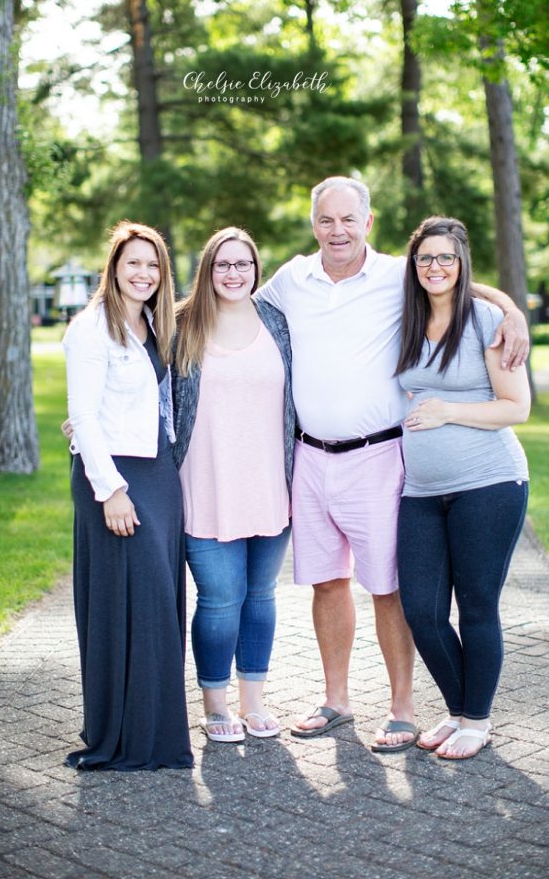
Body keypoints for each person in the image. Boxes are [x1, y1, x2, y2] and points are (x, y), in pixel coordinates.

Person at [258, 177, 529, 752]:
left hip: (380, 456)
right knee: (327, 584)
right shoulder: (291, 280)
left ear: (368, 223)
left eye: (348, 220)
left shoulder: (394, 277)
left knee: (390, 588)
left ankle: (404, 708)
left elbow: (458, 283)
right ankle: (336, 701)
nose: (338, 231)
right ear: (314, 224)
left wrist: (512, 311)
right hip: (310, 457)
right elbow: (226, 301)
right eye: (326, 220)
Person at [395, 216, 530, 760]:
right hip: (421, 492)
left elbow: (516, 407)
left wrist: (447, 409)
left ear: (461, 263)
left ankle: (477, 719)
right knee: (422, 611)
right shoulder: (405, 316)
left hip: (489, 483)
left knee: (476, 606)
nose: (435, 267)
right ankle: (457, 710)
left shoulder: (486, 321)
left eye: (446, 258)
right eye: (425, 258)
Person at [62, 221, 193, 771]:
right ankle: (122, 735)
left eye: (153, 265)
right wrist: (111, 489)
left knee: (160, 606)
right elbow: (85, 416)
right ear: (113, 267)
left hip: (159, 475)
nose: (143, 274)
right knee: (123, 606)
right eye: (133, 262)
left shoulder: (153, 324)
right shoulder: (92, 327)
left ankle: (156, 732)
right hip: (115, 480)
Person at [172, 227, 294, 743]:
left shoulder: (278, 322)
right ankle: (215, 704)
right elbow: (135, 377)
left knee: (260, 596)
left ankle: (254, 702)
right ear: (207, 269)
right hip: (205, 484)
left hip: (270, 484)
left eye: (243, 264)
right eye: (223, 264)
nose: (233, 274)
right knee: (221, 598)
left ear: (256, 270)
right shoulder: (181, 323)